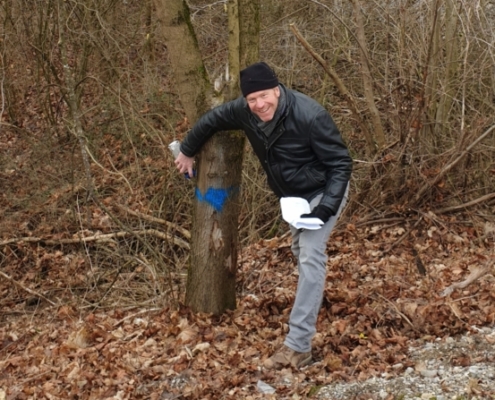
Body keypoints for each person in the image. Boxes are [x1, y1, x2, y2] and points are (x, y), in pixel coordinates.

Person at [174, 62, 352, 370]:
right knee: (302, 253)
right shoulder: (246, 112)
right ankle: (312, 301)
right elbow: (212, 120)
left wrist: (325, 209)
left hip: (325, 191)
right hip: (294, 200)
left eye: (264, 96)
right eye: (252, 99)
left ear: (277, 90)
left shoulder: (311, 115)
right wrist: (187, 150)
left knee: (311, 255)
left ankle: (298, 347)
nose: (259, 105)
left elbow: (340, 164)